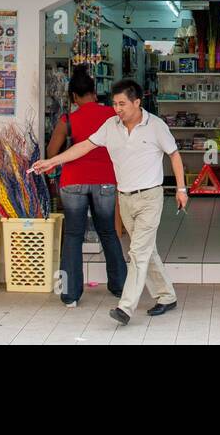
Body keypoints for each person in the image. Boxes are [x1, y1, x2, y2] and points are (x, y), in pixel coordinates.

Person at [33, 78, 186, 326]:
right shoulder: (110, 125)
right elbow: (84, 146)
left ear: (137, 102)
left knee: (137, 252)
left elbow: (174, 156)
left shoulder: (156, 126)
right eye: (114, 104)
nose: (118, 109)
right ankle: (167, 295)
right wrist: (54, 161)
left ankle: (125, 308)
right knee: (147, 250)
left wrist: (181, 189)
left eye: (123, 104)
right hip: (124, 198)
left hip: (149, 196)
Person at [46, 66, 127, 307]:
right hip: (105, 180)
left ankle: (70, 295)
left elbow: (52, 153)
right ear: (95, 92)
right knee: (108, 233)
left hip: (72, 181)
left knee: (72, 235)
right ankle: (120, 286)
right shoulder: (111, 117)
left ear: (73, 97)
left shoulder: (67, 120)